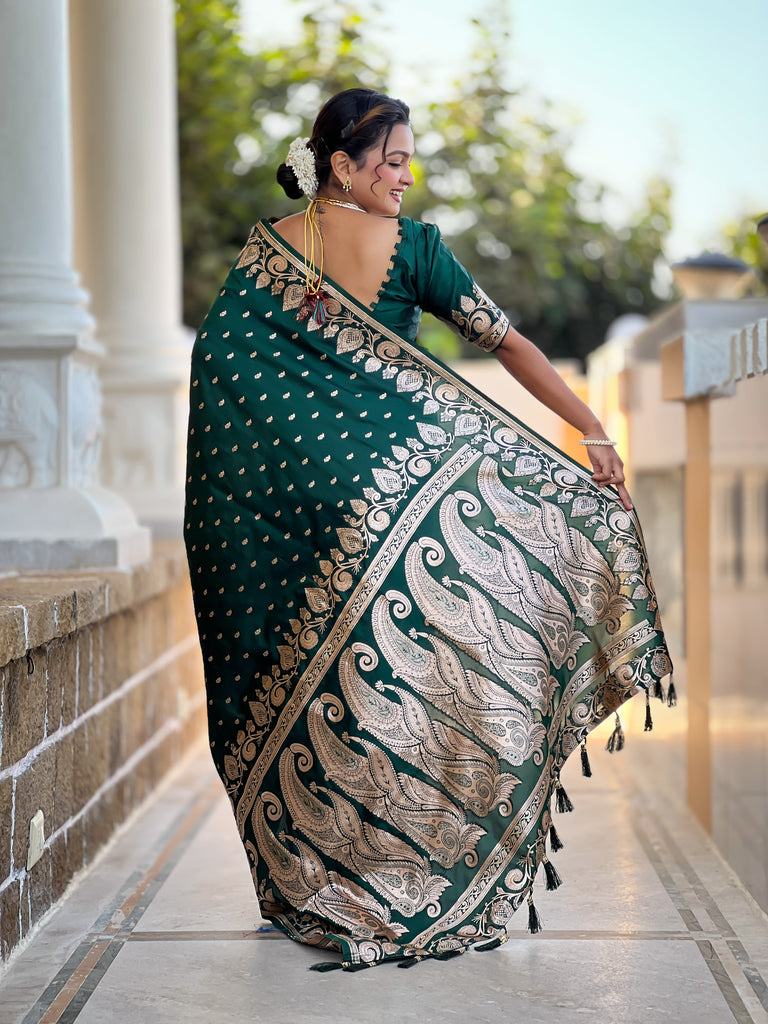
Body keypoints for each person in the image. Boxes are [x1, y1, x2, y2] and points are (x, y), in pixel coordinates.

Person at [184, 87, 672, 971]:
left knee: (328, 704)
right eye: (394, 160)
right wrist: (592, 432)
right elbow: (507, 343)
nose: (407, 177)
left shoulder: (265, 251)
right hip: (399, 509)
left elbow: (220, 366)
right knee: (405, 689)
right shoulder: (415, 250)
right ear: (342, 165)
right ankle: (408, 876)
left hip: (293, 519)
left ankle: (318, 884)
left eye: (410, 161)